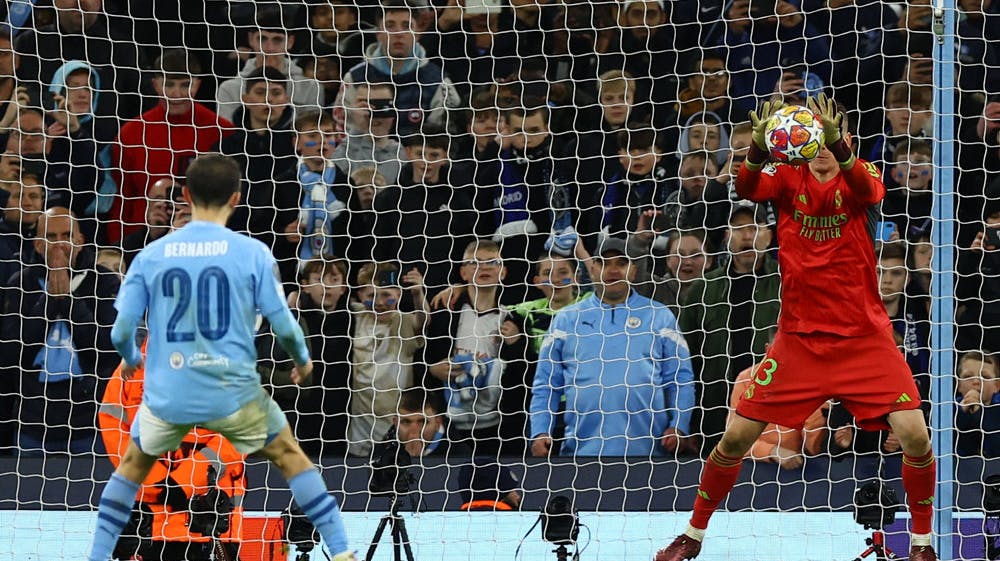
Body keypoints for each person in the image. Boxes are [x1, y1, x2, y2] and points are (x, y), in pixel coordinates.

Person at [655, 95, 937, 561]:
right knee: (734, 439)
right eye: (813, 136)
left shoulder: (858, 174)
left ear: (843, 138)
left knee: (916, 435)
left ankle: (922, 545)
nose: (821, 144)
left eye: (829, 135)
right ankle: (693, 535)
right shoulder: (787, 178)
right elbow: (746, 186)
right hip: (799, 342)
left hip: (863, 340)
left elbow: (871, 195)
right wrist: (761, 148)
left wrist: (839, 146)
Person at [85, 154, 354, 561]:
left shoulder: (151, 258)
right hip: (218, 385)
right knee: (292, 458)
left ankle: (95, 555)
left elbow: (121, 331)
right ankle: (340, 549)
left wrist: (128, 359)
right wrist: (302, 360)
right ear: (236, 197)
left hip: (192, 478)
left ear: (186, 195)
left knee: (124, 479)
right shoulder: (250, 253)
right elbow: (283, 322)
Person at [530, 237, 696, 458]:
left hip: (650, 455)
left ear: (633, 271)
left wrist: (680, 425)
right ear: (592, 269)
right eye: (605, 263)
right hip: (580, 455)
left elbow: (681, 378)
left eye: (621, 263)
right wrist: (540, 430)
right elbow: (546, 384)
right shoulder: (566, 320)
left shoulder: (660, 316)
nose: (613, 270)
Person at [99, 342, 246, 561]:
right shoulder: (131, 369)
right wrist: (156, 482)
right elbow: (114, 429)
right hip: (149, 525)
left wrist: (184, 482)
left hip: (209, 523)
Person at [0, 207, 120, 454]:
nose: (59, 244)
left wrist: (67, 299)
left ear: (80, 240)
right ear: (37, 245)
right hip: (33, 422)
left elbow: (105, 349)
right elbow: (12, 353)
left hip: (90, 422)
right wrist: (49, 302)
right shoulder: (21, 283)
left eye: (66, 235)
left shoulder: (104, 282)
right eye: (51, 237)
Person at [108, 49, 232, 243]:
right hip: (141, 243)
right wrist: (117, 251)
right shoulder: (130, 134)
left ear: (198, 85)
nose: (176, 94)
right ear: (156, 85)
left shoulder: (222, 131)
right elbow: (120, 201)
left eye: (185, 85)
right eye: (169, 84)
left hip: (205, 240)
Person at [346, 262, 427, 458]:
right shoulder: (355, 316)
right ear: (359, 296)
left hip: (395, 426)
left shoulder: (403, 322)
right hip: (360, 428)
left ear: (399, 294)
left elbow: (422, 320)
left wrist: (418, 295)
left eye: (387, 296)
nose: (379, 302)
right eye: (371, 296)